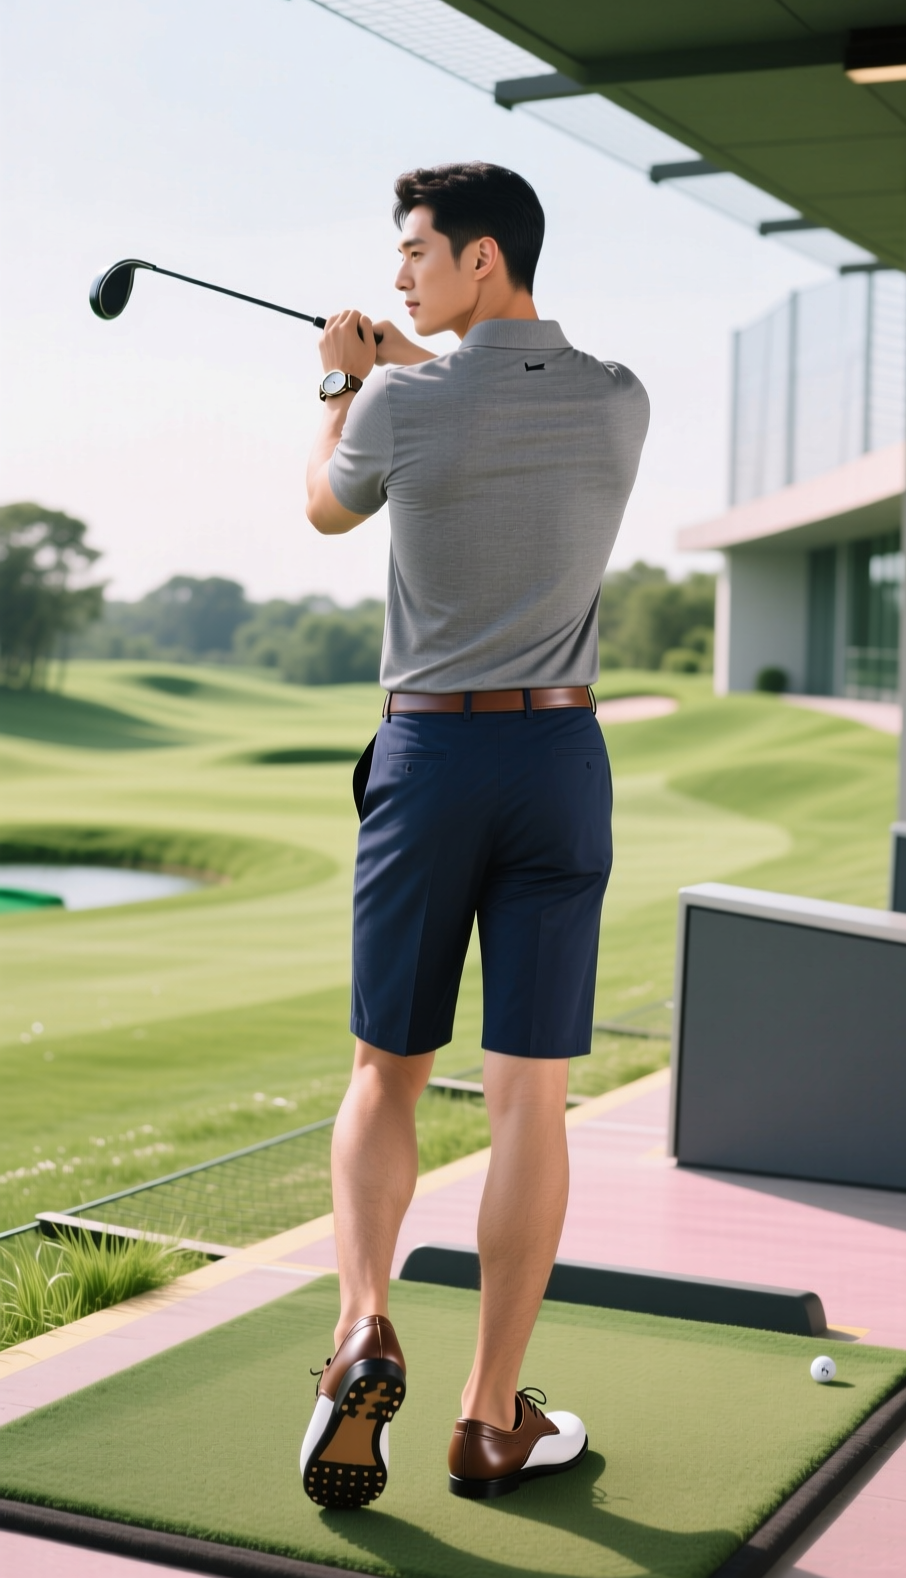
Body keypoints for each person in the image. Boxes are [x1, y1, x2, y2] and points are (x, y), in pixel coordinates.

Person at [298, 162, 649, 1510]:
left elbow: (328, 505)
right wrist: (415, 370)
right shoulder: (623, 398)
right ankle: (490, 1419)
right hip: (559, 758)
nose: (395, 278)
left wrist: (345, 384)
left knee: (387, 1069)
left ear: (483, 260)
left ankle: (362, 1325)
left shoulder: (394, 399)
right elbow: (506, 413)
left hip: (430, 751)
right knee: (529, 1098)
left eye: (414, 253)